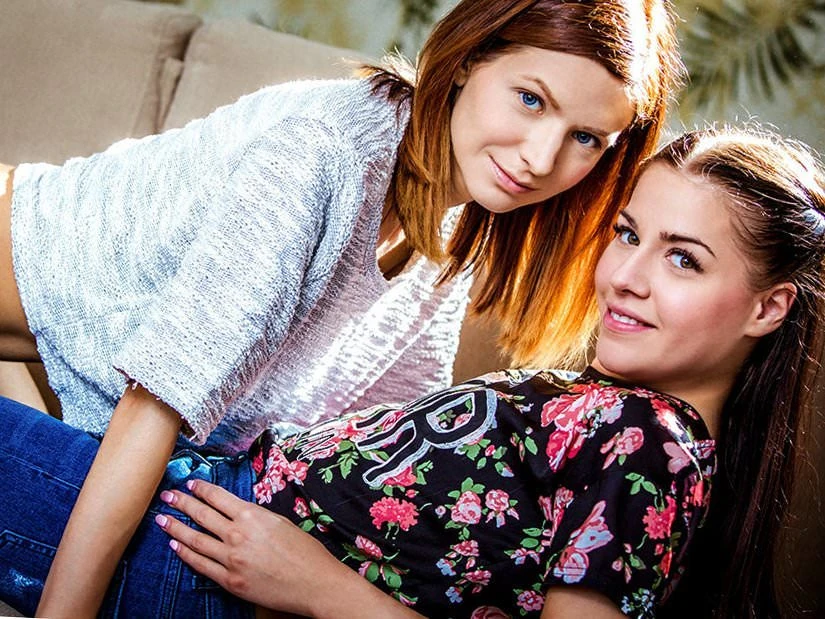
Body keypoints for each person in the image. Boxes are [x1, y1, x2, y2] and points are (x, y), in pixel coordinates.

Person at [0, 1, 682, 616]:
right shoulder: (326, 150)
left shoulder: (447, 238)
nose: (541, 157)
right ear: (469, 58)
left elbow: (375, 456)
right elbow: (158, 401)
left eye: (586, 138)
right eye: (531, 100)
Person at [2, 125, 822, 618]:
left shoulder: (653, 444)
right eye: (627, 234)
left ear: (768, 306)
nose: (625, 276)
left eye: (682, 259)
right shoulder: (629, 419)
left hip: (199, 557)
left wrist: (316, 585)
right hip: (214, 515)